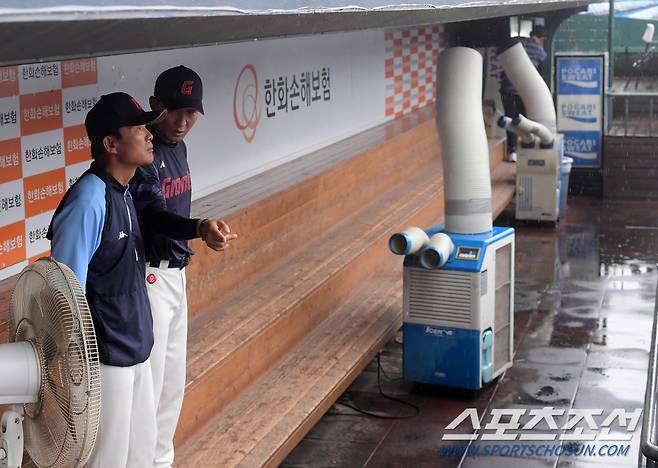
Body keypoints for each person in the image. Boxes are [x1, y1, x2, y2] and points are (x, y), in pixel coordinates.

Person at [47, 92, 226, 468]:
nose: (149, 135)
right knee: (107, 461)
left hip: (136, 347)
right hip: (106, 358)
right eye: (138, 128)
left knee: (141, 455)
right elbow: (64, 296)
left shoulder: (124, 191)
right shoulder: (88, 199)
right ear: (111, 143)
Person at [129, 65, 237, 468]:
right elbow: (154, 215)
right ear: (156, 105)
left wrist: (201, 230)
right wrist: (198, 227)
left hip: (176, 274)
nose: (182, 122)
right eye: (175, 110)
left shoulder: (179, 147)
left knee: (172, 387)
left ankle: (161, 463)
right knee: (150, 388)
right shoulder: (142, 152)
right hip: (150, 277)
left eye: (191, 113)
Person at [499, 25, 548, 162]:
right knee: (523, 121)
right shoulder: (540, 51)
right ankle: (525, 148)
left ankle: (512, 151)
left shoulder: (517, 41)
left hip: (507, 89)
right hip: (525, 92)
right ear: (542, 38)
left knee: (510, 119)